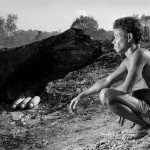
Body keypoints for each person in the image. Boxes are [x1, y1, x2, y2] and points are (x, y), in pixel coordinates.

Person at [69, 16, 150, 140]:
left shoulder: (140, 54)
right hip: (145, 109)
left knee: (107, 94)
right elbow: (107, 80)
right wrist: (81, 96)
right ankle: (142, 124)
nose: (113, 41)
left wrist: (124, 103)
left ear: (129, 37)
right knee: (112, 93)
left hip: (146, 108)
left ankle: (142, 125)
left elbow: (127, 88)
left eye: (117, 36)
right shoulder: (127, 61)